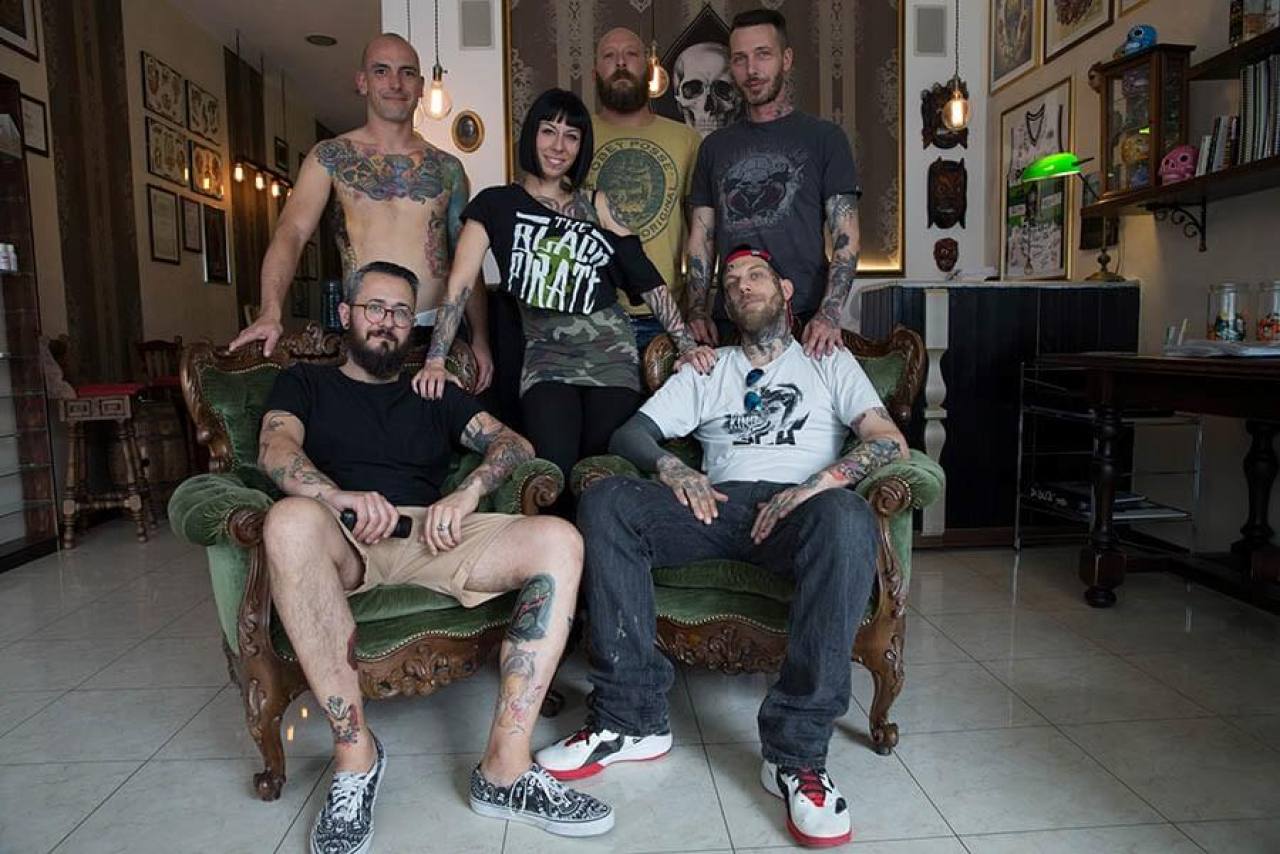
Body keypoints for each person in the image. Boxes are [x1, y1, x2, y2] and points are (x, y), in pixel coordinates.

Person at [536, 246, 909, 848]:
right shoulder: (708, 368)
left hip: (800, 514)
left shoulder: (828, 360)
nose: (742, 287)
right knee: (606, 500)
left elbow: (889, 441)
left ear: (785, 290)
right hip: (714, 507)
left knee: (847, 516)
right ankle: (631, 720)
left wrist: (815, 486)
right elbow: (630, 433)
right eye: (731, 282)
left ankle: (796, 756)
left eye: (756, 275)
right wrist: (673, 468)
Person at [258, 260, 613, 854]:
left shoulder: (433, 390)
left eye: (401, 312)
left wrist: (468, 491)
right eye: (375, 308)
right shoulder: (305, 382)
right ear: (346, 314)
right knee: (289, 520)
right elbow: (275, 447)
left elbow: (513, 443)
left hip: (433, 534)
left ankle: (505, 769)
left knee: (560, 539)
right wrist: (335, 498)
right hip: (344, 535)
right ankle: (355, 759)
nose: (387, 322)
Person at [412, 88, 715, 514]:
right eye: (548, 131)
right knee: (552, 470)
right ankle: (557, 552)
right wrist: (435, 358)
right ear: (531, 136)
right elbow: (459, 285)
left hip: (611, 355)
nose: (559, 146)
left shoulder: (597, 203)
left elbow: (644, 276)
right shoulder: (495, 205)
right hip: (547, 359)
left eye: (572, 136)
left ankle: (602, 552)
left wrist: (685, 344)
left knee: (601, 471)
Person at [229, 33, 493, 393]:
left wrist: (480, 338)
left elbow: (467, 258)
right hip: (365, 331)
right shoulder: (331, 157)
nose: (395, 83)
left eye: (407, 73)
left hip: (437, 338)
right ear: (362, 82)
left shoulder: (448, 168)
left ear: (420, 86)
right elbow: (291, 232)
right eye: (381, 71)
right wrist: (270, 311)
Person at [684, 8, 862, 360]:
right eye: (740, 59)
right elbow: (701, 240)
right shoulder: (713, 148)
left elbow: (847, 235)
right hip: (732, 322)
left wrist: (829, 313)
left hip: (806, 322)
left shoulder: (825, 139)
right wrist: (697, 310)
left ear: (787, 59)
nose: (751, 70)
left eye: (762, 54)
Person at [588, 27, 702, 357]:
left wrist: (698, 308)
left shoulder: (686, 139)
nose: (621, 63)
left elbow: (700, 233)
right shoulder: (574, 137)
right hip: (593, 317)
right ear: (595, 74)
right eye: (609, 56)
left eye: (631, 54)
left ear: (649, 70)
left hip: (667, 317)